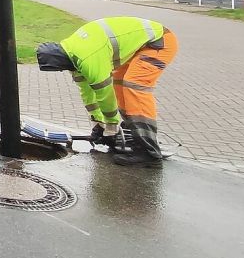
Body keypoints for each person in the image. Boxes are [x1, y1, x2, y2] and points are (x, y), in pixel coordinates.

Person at [35, 16, 179, 168]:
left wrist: (111, 126)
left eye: (59, 68)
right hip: (146, 45)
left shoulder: (88, 58)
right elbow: (88, 94)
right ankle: (135, 136)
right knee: (119, 83)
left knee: (133, 86)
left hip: (159, 42)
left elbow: (105, 95)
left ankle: (149, 154)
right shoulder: (72, 54)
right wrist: (99, 123)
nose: (61, 71)